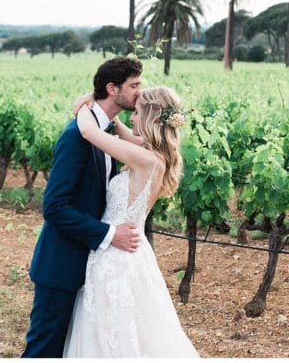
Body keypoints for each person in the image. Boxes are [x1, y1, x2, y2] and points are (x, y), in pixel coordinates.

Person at [63, 85, 199, 358]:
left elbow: (91, 132)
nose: (132, 119)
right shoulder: (152, 154)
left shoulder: (146, 159)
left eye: (136, 113)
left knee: (110, 334)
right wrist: (98, 100)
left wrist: (84, 106)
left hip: (116, 258)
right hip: (127, 253)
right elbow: (115, 126)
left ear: (150, 118)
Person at [22, 56, 145, 358]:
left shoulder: (106, 132)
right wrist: (108, 234)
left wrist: (91, 98)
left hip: (92, 267)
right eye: (134, 85)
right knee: (44, 350)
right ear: (113, 88)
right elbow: (54, 207)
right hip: (61, 266)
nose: (140, 92)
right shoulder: (76, 136)